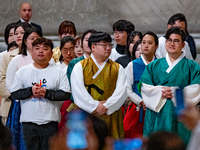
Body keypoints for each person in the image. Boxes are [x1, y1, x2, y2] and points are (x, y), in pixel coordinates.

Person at [139, 27, 200, 144]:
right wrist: (161, 91)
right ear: (165, 43)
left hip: (181, 115)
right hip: (157, 114)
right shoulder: (153, 66)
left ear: (183, 44)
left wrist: (175, 92)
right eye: (169, 40)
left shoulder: (193, 67)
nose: (172, 43)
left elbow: (197, 88)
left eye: (176, 41)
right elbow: (144, 86)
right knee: (157, 144)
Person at [9, 37, 71, 150]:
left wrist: (47, 93)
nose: (41, 51)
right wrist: (30, 91)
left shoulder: (58, 72)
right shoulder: (22, 72)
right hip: (29, 122)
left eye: (45, 48)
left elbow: (66, 94)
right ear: (32, 52)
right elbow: (15, 93)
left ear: (51, 53)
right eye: (37, 48)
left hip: (50, 122)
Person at [71, 32, 126, 139]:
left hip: (110, 112)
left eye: (110, 45)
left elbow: (121, 92)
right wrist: (94, 106)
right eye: (104, 45)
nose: (108, 48)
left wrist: (106, 106)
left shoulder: (118, 68)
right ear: (93, 47)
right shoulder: (80, 66)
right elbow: (79, 92)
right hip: (86, 113)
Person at [5, 27, 42, 150]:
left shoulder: (48, 60)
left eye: (37, 38)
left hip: (42, 103)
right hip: (22, 104)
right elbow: (9, 85)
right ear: (25, 41)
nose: (35, 41)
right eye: (32, 39)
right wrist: (26, 93)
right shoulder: (17, 60)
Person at [124, 32, 158, 138]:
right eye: (144, 42)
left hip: (156, 109)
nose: (146, 45)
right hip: (137, 109)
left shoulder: (161, 65)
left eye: (150, 43)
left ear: (156, 46)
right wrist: (141, 102)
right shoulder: (133, 65)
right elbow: (127, 89)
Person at [0, 22, 31, 126]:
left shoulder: (35, 56)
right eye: (16, 33)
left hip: (32, 102)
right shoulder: (6, 56)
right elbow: (2, 81)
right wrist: (18, 95)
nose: (17, 36)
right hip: (10, 103)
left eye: (21, 33)